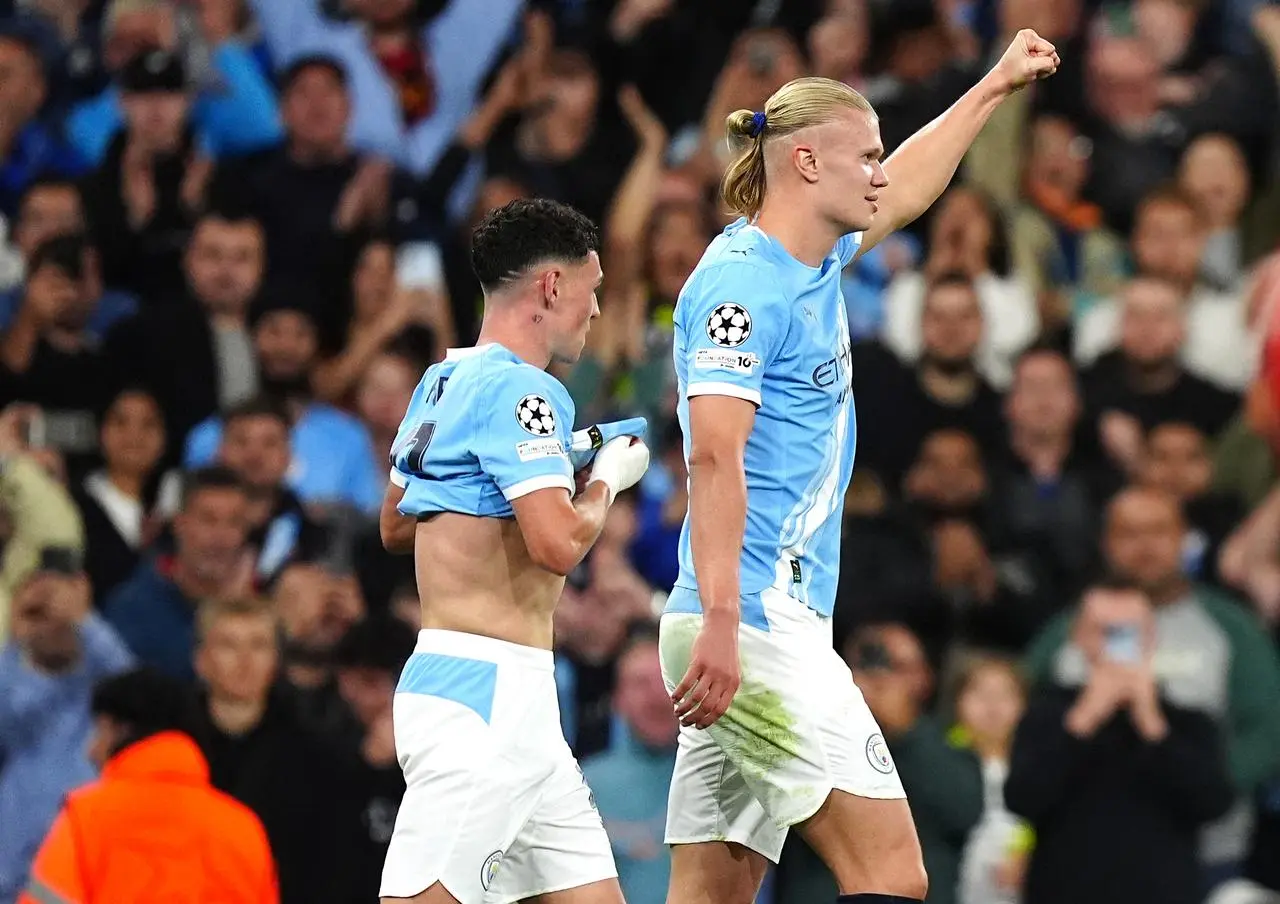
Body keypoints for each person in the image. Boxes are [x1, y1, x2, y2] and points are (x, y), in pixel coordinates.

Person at [659, 30, 1061, 904]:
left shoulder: (810, 260)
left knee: (709, 896)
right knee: (891, 875)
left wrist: (994, 85)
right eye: (866, 155)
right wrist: (728, 624)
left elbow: (913, 185)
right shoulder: (741, 289)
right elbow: (713, 455)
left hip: (750, 619)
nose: (881, 173)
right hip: (754, 621)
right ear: (806, 162)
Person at [376, 198, 651, 904]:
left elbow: (396, 524)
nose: (594, 314)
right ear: (552, 288)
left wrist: (535, 472)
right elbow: (558, 544)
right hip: (484, 697)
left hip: (508, 702)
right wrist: (607, 481)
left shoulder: (442, 381)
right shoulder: (530, 391)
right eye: (592, 293)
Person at [18, 667, 278, 903]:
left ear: (122, 730)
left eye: (100, 731)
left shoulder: (86, 819)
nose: (91, 750)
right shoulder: (243, 830)